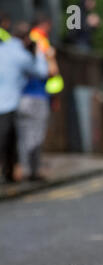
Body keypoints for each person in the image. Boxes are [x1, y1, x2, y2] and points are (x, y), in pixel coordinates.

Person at [0, 22, 48, 183]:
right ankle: (10, 172)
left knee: (10, 140)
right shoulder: (21, 55)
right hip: (10, 103)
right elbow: (41, 72)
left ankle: (10, 173)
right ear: (26, 39)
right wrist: (41, 54)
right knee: (10, 140)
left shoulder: (2, 49)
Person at [15, 14, 60, 181]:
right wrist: (50, 57)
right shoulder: (39, 43)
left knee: (24, 136)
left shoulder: (14, 50)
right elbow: (49, 71)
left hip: (22, 97)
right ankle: (30, 170)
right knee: (35, 136)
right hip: (37, 97)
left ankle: (28, 169)